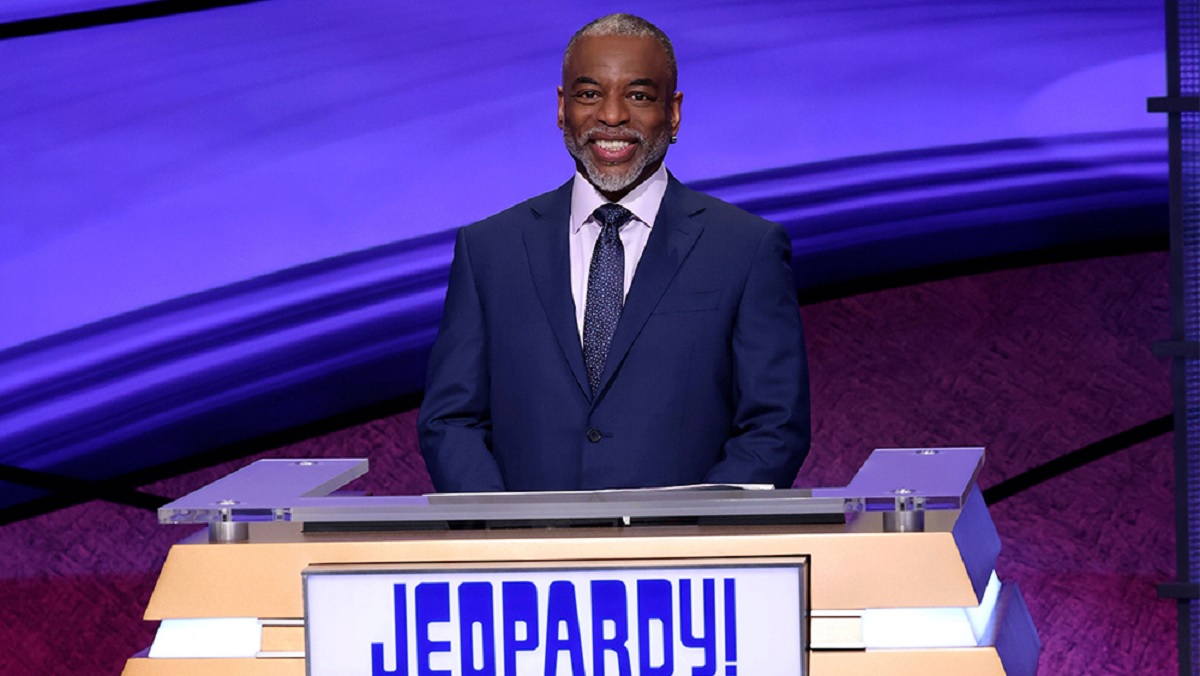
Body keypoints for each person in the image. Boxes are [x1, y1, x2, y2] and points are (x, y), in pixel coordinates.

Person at [417, 13, 809, 492]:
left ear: (674, 111)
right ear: (562, 108)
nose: (612, 116)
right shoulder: (488, 250)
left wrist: (693, 537)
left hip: (683, 557)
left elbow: (774, 427)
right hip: (526, 557)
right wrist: (503, 536)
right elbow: (451, 421)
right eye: (588, 94)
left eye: (639, 96)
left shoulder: (746, 248)